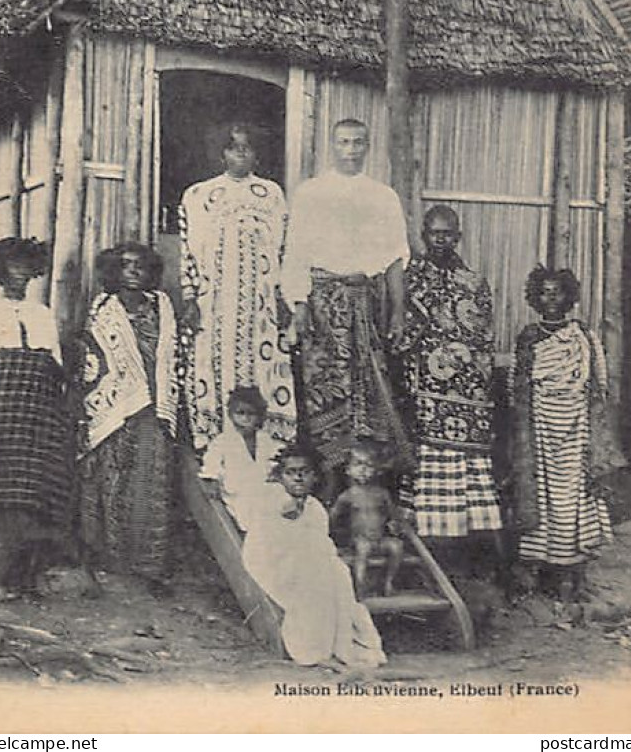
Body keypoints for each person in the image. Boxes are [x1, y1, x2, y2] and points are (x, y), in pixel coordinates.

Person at [281, 118, 409, 476]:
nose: (350, 151)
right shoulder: (310, 193)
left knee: (369, 388)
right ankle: (329, 476)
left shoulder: (383, 196)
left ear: (368, 147)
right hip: (323, 303)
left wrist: (398, 312)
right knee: (322, 387)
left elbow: (396, 258)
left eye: (357, 143)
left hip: (365, 302)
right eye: (343, 143)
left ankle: (366, 476)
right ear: (331, 146)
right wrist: (299, 305)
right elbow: (296, 254)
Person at [0, 237, 73, 602]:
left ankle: (27, 577)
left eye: (26, 267)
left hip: (38, 411)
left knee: (36, 495)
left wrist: (60, 411)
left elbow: (54, 366)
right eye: (13, 267)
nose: (20, 274)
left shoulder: (41, 313)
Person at [79, 242, 193, 585]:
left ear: (150, 271)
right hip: (118, 407)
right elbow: (95, 359)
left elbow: (171, 352)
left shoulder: (161, 306)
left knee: (151, 483)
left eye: (140, 265)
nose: (133, 271)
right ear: (113, 270)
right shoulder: (104, 307)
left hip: (154, 407)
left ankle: (148, 564)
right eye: (126, 265)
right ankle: (113, 560)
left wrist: (162, 399)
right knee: (114, 481)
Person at [508, 265, 622, 600]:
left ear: (569, 296)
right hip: (541, 427)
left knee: (575, 496)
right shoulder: (528, 337)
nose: (551, 298)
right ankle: (543, 570)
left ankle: (574, 573)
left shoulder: (584, 336)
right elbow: (518, 384)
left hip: (577, 427)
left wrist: (592, 425)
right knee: (542, 495)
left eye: (557, 291)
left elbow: (598, 383)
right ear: (534, 298)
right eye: (544, 292)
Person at [178, 123, 294, 446]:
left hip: (261, 304)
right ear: (221, 153)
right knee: (213, 365)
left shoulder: (272, 194)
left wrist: (283, 298)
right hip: (214, 302)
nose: (240, 153)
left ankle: (267, 447)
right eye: (233, 147)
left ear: (257, 154)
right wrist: (190, 297)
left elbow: (283, 250)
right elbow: (187, 249)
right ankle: (214, 444)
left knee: (262, 365)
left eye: (248, 147)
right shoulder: (199, 195)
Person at [399, 206, 503, 551]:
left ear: (458, 236)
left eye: (448, 233)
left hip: (465, 393)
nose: (441, 239)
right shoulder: (410, 277)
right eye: (434, 233)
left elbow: (483, 337)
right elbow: (401, 329)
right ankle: (425, 542)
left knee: (464, 464)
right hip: (424, 390)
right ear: (424, 235)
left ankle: (464, 546)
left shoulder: (474, 282)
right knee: (423, 459)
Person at [242, 442, 386, 669]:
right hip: (270, 557)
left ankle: (337, 643)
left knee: (337, 574)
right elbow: (273, 530)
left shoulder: (315, 507)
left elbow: (320, 541)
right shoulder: (275, 497)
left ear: (316, 477)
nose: (298, 478)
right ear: (280, 477)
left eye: (305, 473)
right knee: (312, 578)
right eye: (290, 473)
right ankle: (314, 649)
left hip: (306, 556)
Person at [329, 438, 404, 598]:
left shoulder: (382, 494)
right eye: (358, 465)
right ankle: (360, 585)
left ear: (377, 470)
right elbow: (333, 516)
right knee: (363, 550)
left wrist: (394, 524)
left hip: (380, 538)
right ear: (348, 470)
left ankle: (388, 582)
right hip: (359, 539)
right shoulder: (348, 495)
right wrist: (332, 534)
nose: (363, 470)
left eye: (369, 466)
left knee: (397, 546)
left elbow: (393, 515)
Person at [199, 386, 281, 530]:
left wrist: (276, 473)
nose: (245, 418)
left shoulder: (266, 440)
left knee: (279, 501)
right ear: (231, 415)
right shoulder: (223, 441)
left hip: (264, 488)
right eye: (240, 413)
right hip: (238, 493)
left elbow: (277, 462)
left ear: (260, 416)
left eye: (251, 413)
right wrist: (213, 482)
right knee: (251, 509)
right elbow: (211, 466)